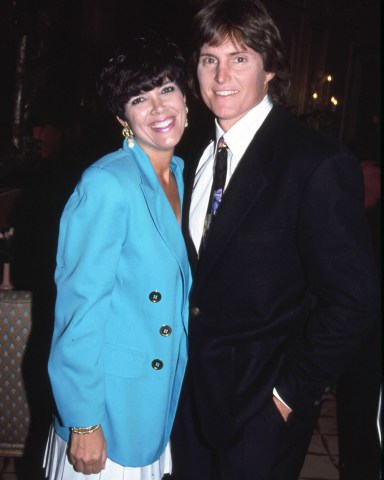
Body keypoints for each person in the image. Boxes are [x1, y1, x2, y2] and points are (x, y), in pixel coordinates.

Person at [171, 1, 380, 479]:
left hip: (261, 412)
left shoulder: (315, 162)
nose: (221, 74)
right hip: (187, 403)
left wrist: (289, 396)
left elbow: (354, 300)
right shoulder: (189, 153)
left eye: (240, 58)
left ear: (269, 71)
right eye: (209, 58)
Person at [44, 32, 191, 479]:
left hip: (153, 398)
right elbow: (80, 310)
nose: (159, 108)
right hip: (107, 410)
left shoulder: (182, 175)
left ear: (187, 98)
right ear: (122, 116)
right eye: (138, 98)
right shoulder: (107, 183)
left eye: (167, 89)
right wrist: (84, 422)